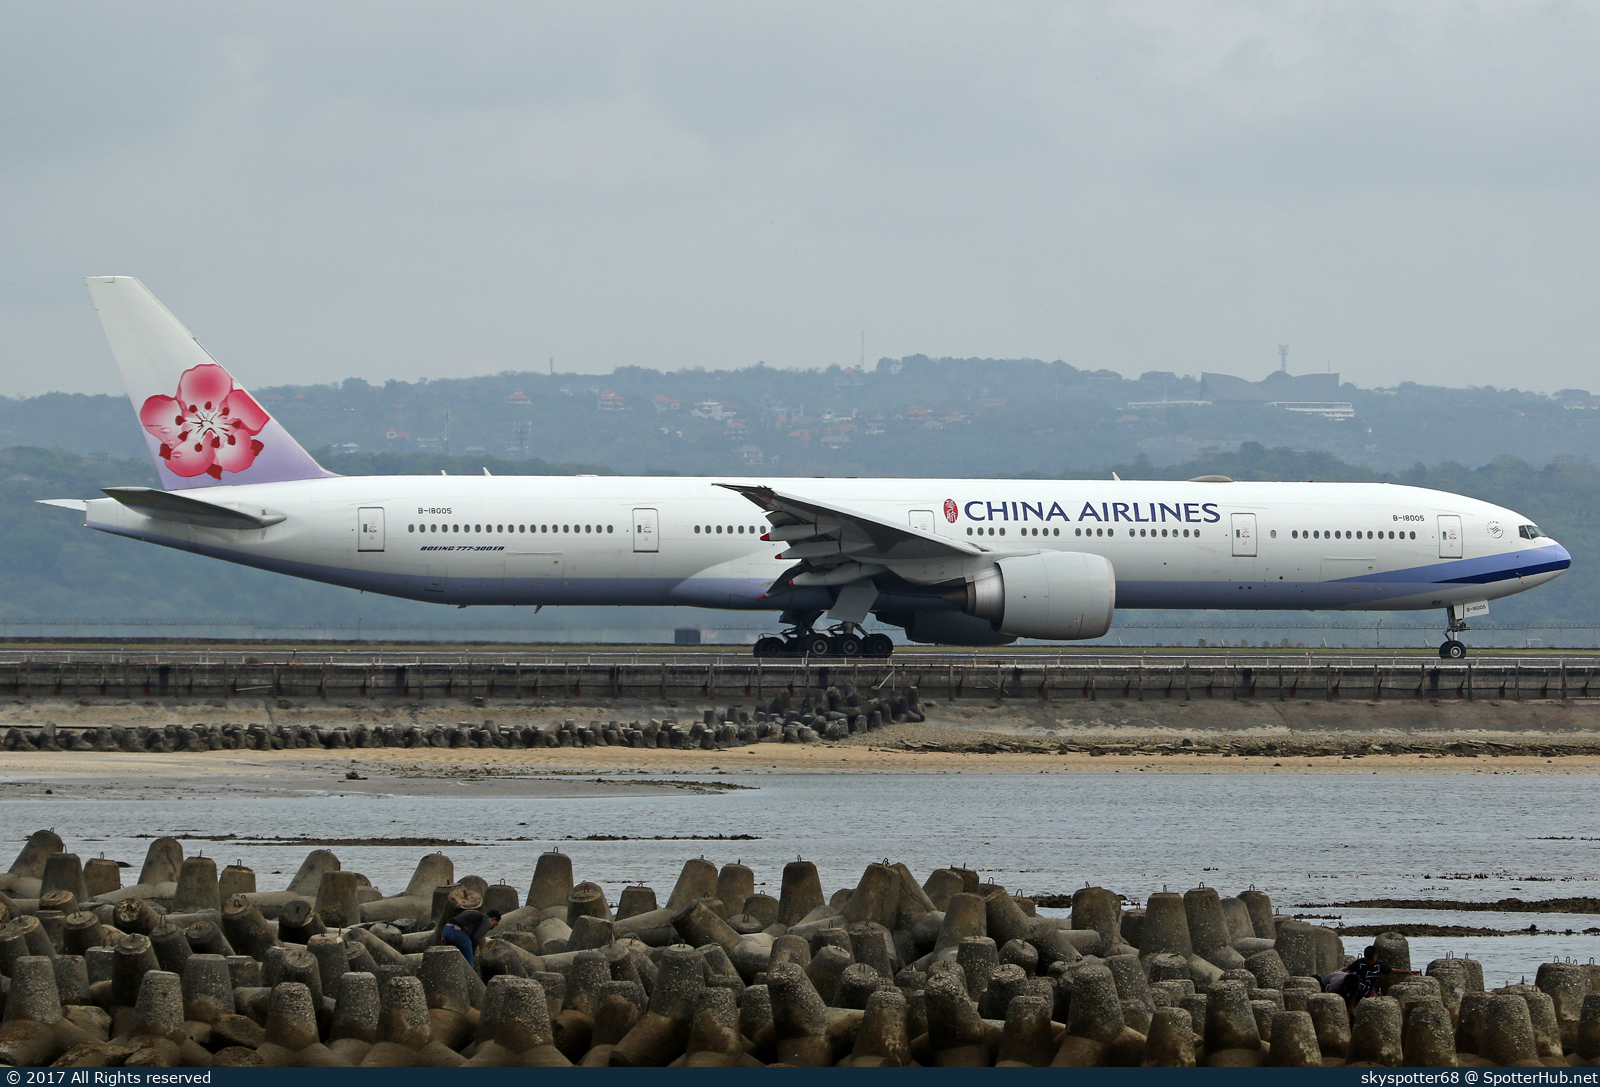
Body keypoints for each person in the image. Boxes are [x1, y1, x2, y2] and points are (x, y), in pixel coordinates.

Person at [1337, 945, 1417, 1010]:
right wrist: (1337, 972)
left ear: (1376, 956)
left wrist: (1409, 972)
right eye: (1368, 960)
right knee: (1353, 1010)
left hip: (1370, 989)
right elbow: (1347, 968)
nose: (1371, 962)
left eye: (1372, 960)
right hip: (1357, 990)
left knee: (1375, 1006)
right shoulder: (1360, 963)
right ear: (1365, 957)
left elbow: (1392, 970)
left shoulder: (1379, 965)